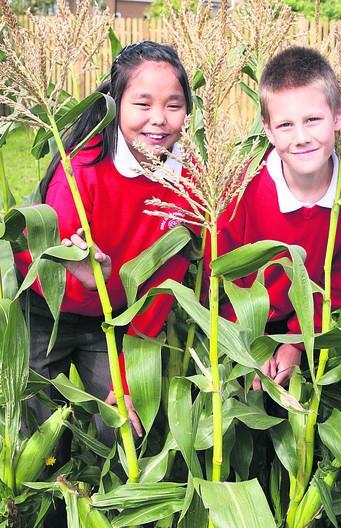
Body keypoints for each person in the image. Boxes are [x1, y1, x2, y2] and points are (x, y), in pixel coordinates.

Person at [16, 42, 196, 438]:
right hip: (47, 309)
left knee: (124, 428)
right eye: (143, 104)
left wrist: (132, 372)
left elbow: (166, 281)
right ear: (115, 105)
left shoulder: (191, 180)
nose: (159, 120)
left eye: (173, 105)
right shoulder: (82, 167)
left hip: (112, 320)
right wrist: (76, 268)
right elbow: (51, 248)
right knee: (40, 431)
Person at [205, 46, 341, 389]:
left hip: (307, 327)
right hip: (237, 326)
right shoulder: (240, 189)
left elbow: (338, 281)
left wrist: (296, 342)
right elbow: (217, 280)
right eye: (286, 124)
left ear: (338, 115)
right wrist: (250, 346)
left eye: (312, 120)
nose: (301, 137)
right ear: (268, 130)